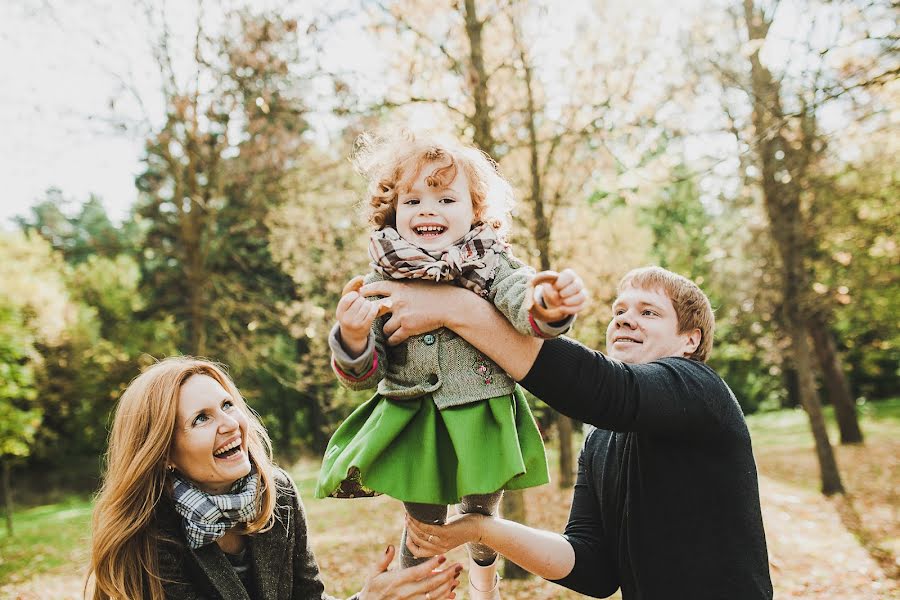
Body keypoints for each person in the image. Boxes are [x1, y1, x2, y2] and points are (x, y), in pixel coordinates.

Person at [363, 266, 774, 599]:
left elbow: (604, 389)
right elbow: (592, 567)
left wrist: (455, 308)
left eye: (648, 312)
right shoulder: (600, 439)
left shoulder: (699, 388)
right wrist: (479, 528)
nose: (625, 318)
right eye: (619, 311)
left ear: (690, 340)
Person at [314, 132, 588, 599]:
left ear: (475, 211)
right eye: (413, 199)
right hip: (414, 416)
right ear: (392, 211)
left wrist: (549, 304)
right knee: (424, 524)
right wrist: (354, 336)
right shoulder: (381, 278)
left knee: (481, 512)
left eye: (445, 198)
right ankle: (417, 588)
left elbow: (521, 298)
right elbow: (365, 374)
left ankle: (485, 583)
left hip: (479, 407)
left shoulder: (491, 261)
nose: (427, 209)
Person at [86, 357, 462, 600]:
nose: (230, 424)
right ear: (164, 453)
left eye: (228, 405)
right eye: (201, 418)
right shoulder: (148, 536)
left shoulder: (276, 492)